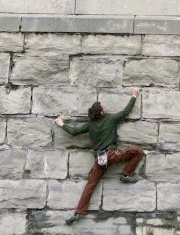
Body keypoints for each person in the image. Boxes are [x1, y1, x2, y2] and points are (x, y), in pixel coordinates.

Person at [55, 87, 144, 223]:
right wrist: (134, 95)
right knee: (138, 151)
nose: (105, 108)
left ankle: (78, 212)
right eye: (103, 107)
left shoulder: (89, 125)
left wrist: (61, 124)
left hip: (100, 159)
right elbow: (126, 112)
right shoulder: (110, 119)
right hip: (113, 154)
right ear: (101, 112)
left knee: (91, 184)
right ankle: (126, 174)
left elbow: (73, 132)